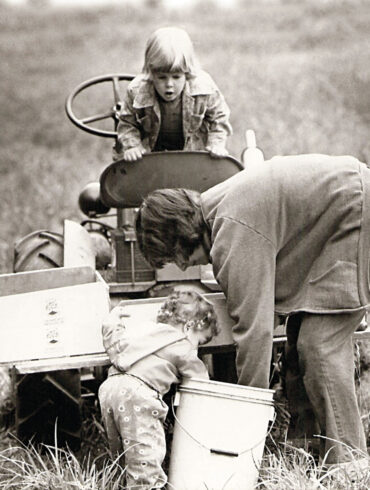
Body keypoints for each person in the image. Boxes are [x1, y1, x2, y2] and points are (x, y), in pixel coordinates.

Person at [135, 153, 370, 468]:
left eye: (175, 257)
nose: (182, 265)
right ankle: (304, 452)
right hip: (343, 204)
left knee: (320, 346)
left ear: (180, 238)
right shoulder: (213, 208)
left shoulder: (231, 232)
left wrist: (247, 414)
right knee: (299, 334)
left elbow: (255, 332)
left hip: (354, 210)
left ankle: (349, 467)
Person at [98, 289, 219, 489]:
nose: (197, 347)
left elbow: (113, 338)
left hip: (109, 389)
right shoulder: (182, 345)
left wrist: (112, 320)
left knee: (122, 449)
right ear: (189, 327)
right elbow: (200, 385)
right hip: (138, 394)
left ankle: (120, 483)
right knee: (145, 453)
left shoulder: (140, 332)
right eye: (201, 340)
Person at [113, 26, 232, 162]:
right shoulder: (137, 91)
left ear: (187, 73)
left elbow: (220, 116)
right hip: (151, 159)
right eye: (162, 77)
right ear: (151, 73)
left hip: (193, 157)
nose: (169, 84)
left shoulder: (204, 88)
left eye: (176, 77)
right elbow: (127, 122)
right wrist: (132, 146)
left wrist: (216, 142)